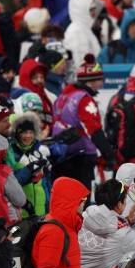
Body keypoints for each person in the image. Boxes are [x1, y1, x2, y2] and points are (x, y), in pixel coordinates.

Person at [28, 177, 104, 268]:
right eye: (81, 201)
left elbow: (68, 266)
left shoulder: (68, 226)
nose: (84, 205)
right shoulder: (53, 231)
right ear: (70, 202)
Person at [51, 54, 115, 190]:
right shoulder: (84, 99)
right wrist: (108, 154)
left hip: (60, 155)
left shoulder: (63, 96)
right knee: (81, 199)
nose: (102, 82)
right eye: (100, 79)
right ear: (91, 81)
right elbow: (94, 130)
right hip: (80, 157)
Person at [6, 113, 52, 217]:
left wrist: (49, 208)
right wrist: (29, 170)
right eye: (24, 132)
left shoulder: (38, 155)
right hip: (20, 214)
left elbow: (47, 186)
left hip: (41, 213)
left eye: (31, 132)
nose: (28, 136)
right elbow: (11, 185)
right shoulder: (11, 156)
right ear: (17, 134)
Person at [64, 0, 104, 71]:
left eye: (94, 9)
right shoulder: (76, 31)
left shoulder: (84, 29)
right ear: (80, 11)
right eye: (91, 10)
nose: (94, 13)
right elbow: (81, 63)